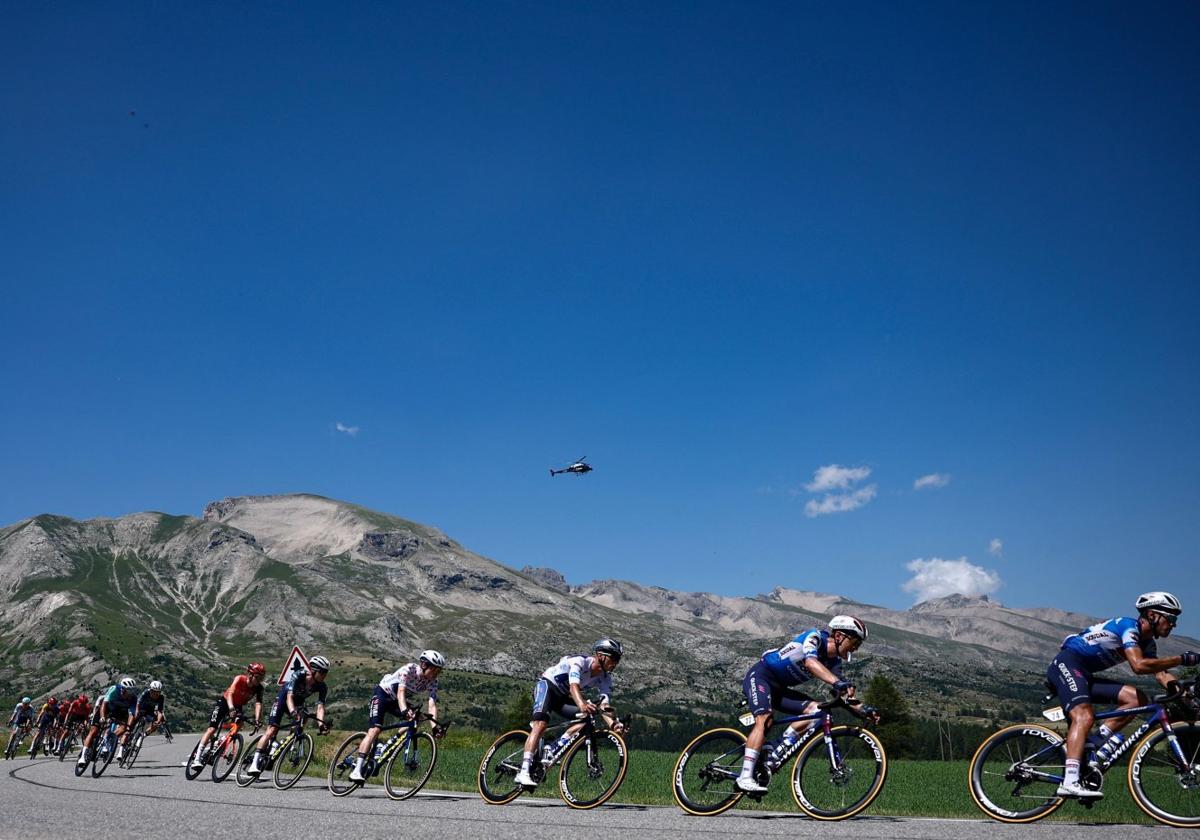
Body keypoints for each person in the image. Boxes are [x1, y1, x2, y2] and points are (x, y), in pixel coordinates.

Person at [1047, 591, 1199, 799]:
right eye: (1171, 618)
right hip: (1066, 664)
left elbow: (1160, 674)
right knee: (1084, 716)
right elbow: (1138, 666)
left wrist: (1183, 693)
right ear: (1152, 615)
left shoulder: (1147, 644)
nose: (1174, 624)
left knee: (1137, 699)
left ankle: (1095, 740)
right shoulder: (1129, 627)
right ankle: (1070, 781)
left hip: (1084, 674)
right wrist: (1181, 659)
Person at [735, 616, 872, 794]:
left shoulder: (834, 662)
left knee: (816, 710)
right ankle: (744, 777)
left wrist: (863, 709)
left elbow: (842, 692)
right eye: (854, 641)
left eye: (858, 644)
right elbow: (810, 662)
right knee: (764, 719)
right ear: (838, 636)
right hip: (761, 676)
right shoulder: (815, 637)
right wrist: (837, 682)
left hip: (780, 689)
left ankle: (777, 748)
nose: (855, 647)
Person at [512, 639, 625, 789]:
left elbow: (604, 705)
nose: (616, 663)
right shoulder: (579, 662)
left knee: (586, 719)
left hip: (563, 697)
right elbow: (574, 687)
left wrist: (614, 725)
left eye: (618, 659)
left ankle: (551, 749)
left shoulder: (605, 678)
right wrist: (582, 704)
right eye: (614, 658)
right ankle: (524, 771)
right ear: (600, 655)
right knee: (541, 724)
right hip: (548, 686)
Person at [348, 650, 444, 783]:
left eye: (439, 671)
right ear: (424, 665)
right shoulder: (409, 669)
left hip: (397, 701)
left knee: (420, 717)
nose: (436, 674)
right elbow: (401, 692)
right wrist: (405, 710)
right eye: (434, 670)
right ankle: (356, 770)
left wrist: (435, 727)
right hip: (383, 695)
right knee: (375, 730)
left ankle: (388, 745)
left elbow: (432, 704)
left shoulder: (433, 681)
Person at [245, 656, 331, 776]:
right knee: (272, 730)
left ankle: (285, 744)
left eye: (326, 673)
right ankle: (254, 764)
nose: (324, 676)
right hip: (283, 700)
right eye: (322, 672)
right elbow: (289, 697)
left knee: (303, 720)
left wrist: (321, 724)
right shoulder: (299, 674)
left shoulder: (322, 686)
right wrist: (292, 712)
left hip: (298, 703)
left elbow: (320, 707)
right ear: (313, 670)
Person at [190, 664, 265, 770]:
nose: (259, 680)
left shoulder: (259, 688)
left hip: (237, 706)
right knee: (212, 729)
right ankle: (197, 759)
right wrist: (231, 708)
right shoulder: (240, 679)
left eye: (261, 678)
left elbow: (258, 704)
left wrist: (257, 719)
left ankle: (221, 741)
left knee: (239, 724)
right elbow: (230, 693)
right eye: (258, 677)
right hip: (225, 702)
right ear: (250, 674)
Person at [78, 678, 138, 766]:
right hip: (106, 709)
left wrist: (128, 726)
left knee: (125, 727)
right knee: (93, 731)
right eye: (127, 691)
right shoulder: (114, 689)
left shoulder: (133, 698)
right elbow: (104, 704)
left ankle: (112, 737)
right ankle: (82, 757)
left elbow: (132, 714)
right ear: (122, 689)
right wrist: (102, 717)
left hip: (120, 712)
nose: (129, 694)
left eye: (131, 691)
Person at [119, 680, 167, 758]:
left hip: (150, 711)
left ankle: (143, 736)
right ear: (150, 690)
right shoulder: (146, 693)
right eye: (154, 692)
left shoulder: (161, 697)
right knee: (132, 722)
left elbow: (160, 711)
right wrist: (137, 712)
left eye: (158, 692)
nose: (156, 694)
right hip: (141, 709)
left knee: (157, 724)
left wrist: (158, 721)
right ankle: (128, 736)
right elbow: (138, 703)